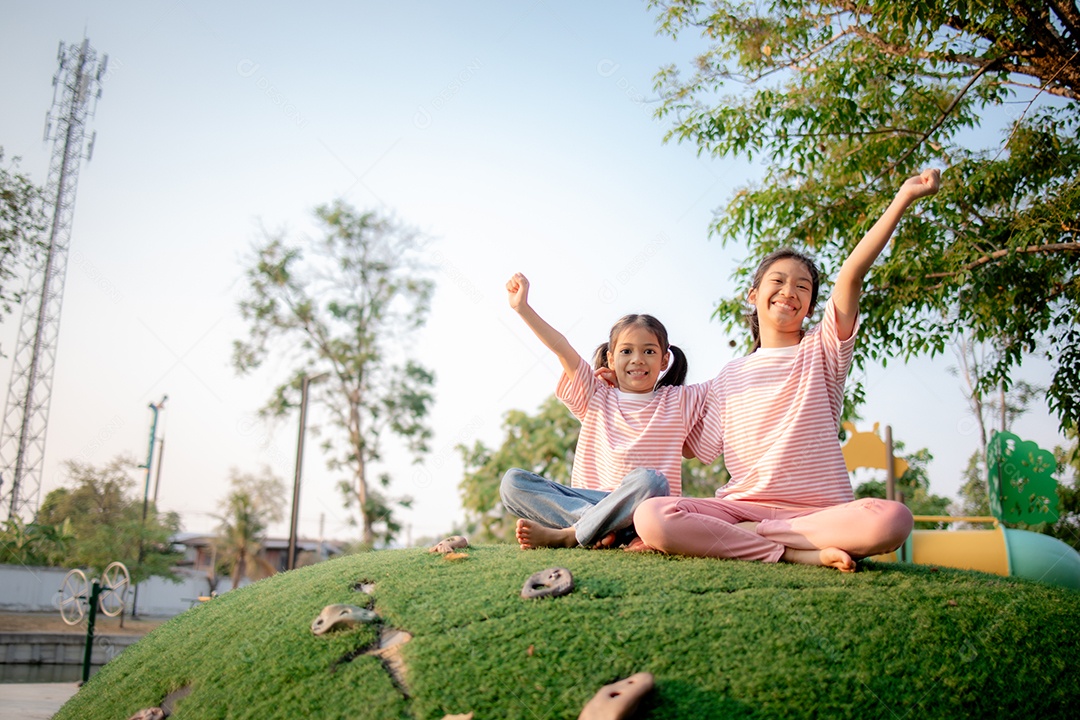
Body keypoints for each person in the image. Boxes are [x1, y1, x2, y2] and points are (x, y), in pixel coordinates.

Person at [632, 169, 942, 571]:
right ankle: (792, 553)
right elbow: (694, 446)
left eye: (802, 287)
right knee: (652, 515)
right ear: (754, 295)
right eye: (777, 280)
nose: (788, 291)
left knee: (893, 519)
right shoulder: (729, 375)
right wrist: (622, 386)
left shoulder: (823, 351)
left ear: (812, 306)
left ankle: (757, 543)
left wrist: (902, 198)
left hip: (818, 517)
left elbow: (851, 274)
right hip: (741, 508)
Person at [501, 272, 710, 549]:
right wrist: (523, 308)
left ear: (664, 360)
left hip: (644, 509)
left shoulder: (680, 400)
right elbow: (562, 349)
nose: (637, 359)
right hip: (591, 503)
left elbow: (733, 384)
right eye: (626, 351)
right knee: (512, 483)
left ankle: (572, 534)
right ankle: (599, 528)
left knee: (652, 481)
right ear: (611, 358)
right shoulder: (596, 395)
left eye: (648, 351)